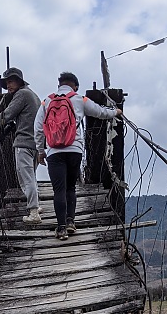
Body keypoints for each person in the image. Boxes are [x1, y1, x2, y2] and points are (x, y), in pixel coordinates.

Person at [34, 71, 122, 240]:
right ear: (74, 86)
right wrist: (116, 112)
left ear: (60, 85)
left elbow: (38, 128)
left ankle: (60, 229)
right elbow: (100, 112)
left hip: (54, 152)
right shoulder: (80, 99)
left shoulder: (46, 101)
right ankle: (70, 222)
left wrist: (40, 151)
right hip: (75, 150)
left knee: (58, 189)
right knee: (70, 187)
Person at [0, 68, 42, 225]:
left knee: (25, 177)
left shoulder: (21, 94)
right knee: (32, 176)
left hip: (24, 142)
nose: (8, 85)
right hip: (35, 142)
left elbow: (7, 114)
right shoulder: (33, 95)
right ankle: (35, 205)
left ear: (19, 81)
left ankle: (34, 212)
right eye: (6, 82)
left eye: (10, 81)